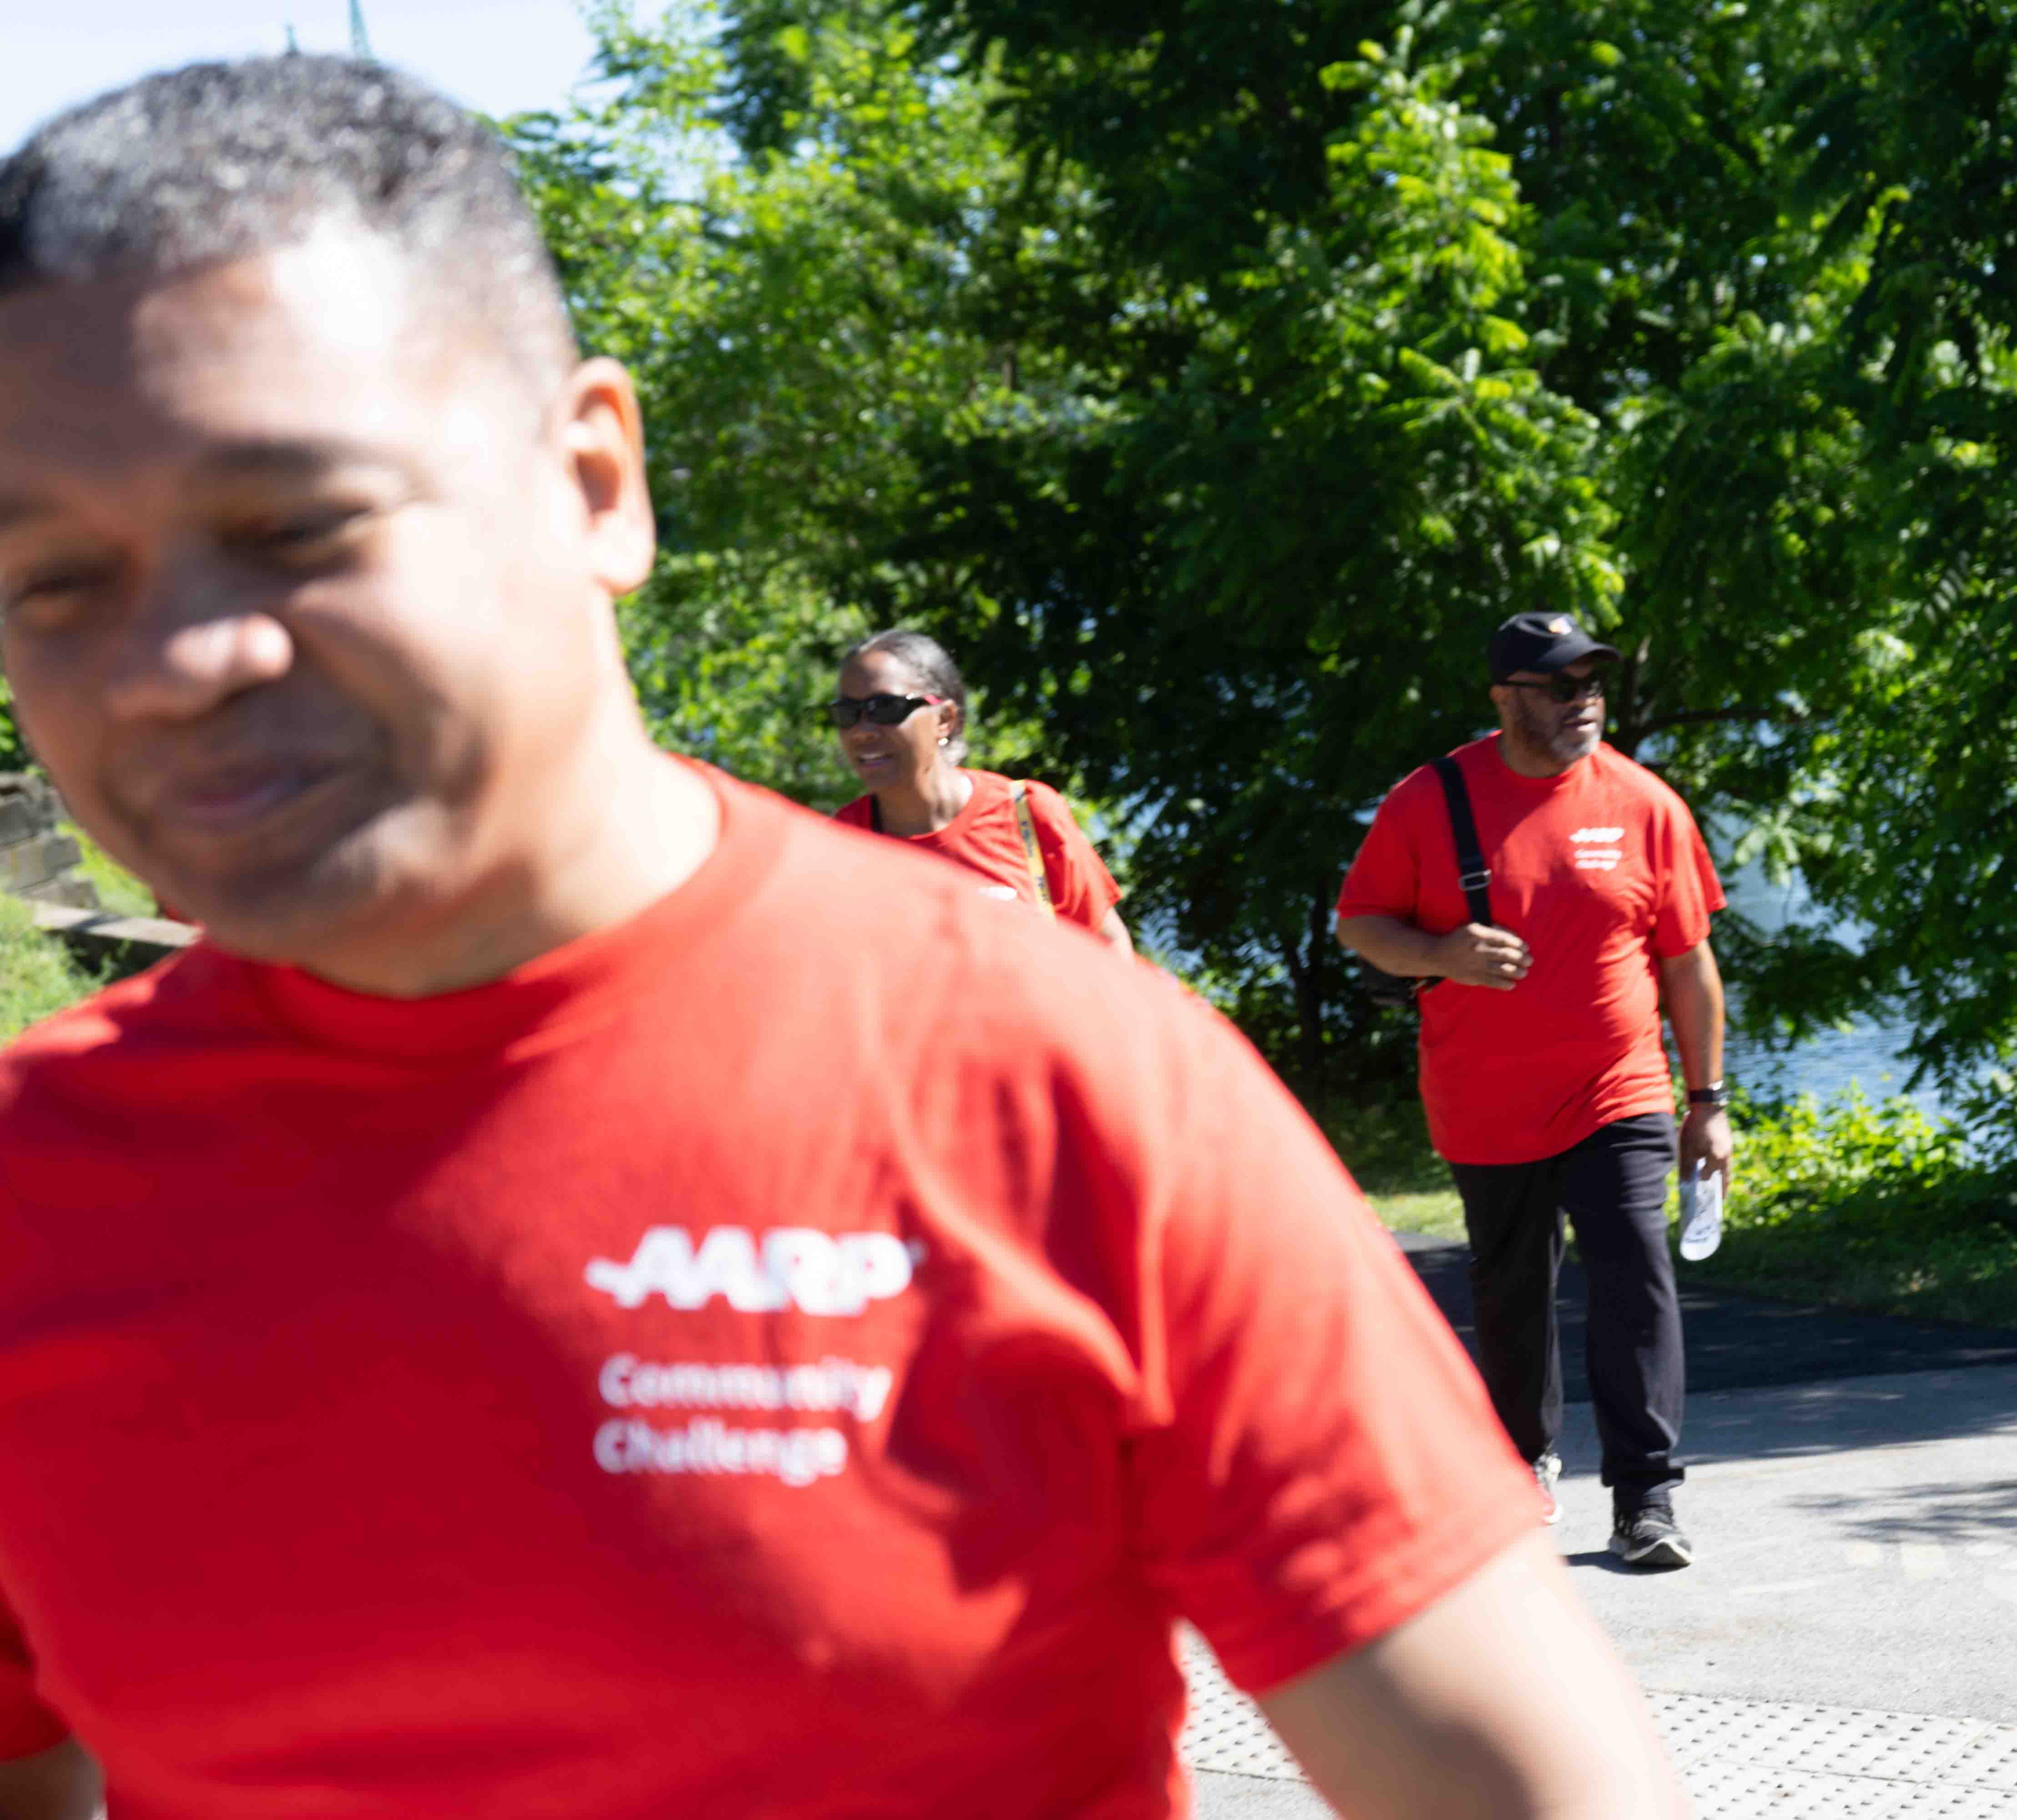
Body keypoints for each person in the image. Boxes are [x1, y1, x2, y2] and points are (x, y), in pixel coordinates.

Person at [0, 60, 1688, 1820]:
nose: (176, 662)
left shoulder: (1065, 1097)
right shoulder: (32, 1194)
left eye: (295, 525)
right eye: (54, 579)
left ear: (593, 481)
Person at [1335, 611, 1732, 1572]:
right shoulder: (1430, 801)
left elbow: (1688, 964)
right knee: (1511, 1291)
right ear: (1506, 698)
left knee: (1634, 1272)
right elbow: (1362, 924)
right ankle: (1520, 1467)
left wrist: (1708, 1102)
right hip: (1485, 1099)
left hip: (1618, 1088)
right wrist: (1442, 953)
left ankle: (1646, 1497)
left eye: (1591, 684)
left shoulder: (1645, 803)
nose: (1583, 701)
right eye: (1561, 686)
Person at [826, 627, 1136, 958]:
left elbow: (1109, 947)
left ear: (945, 719)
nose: (862, 732)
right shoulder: (839, 845)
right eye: (848, 714)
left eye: (886, 708)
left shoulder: (1027, 815)